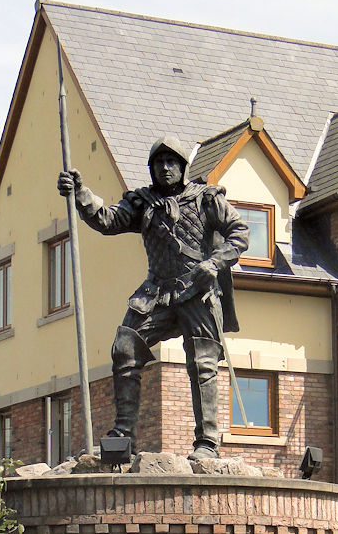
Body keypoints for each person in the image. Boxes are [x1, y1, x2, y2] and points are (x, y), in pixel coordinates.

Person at [57, 135, 249, 460]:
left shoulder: (206, 199)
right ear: (151, 168)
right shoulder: (142, 203)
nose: (165, 167)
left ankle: (207, 442)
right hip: (157, 291)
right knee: (125, 347)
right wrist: (80, 193)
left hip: (196, 291)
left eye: (171, 161)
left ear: (183, 166)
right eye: (159, 162)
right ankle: (123, 436)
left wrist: (214, 263)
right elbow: (106, 220)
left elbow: (240, 232)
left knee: (202, 363)